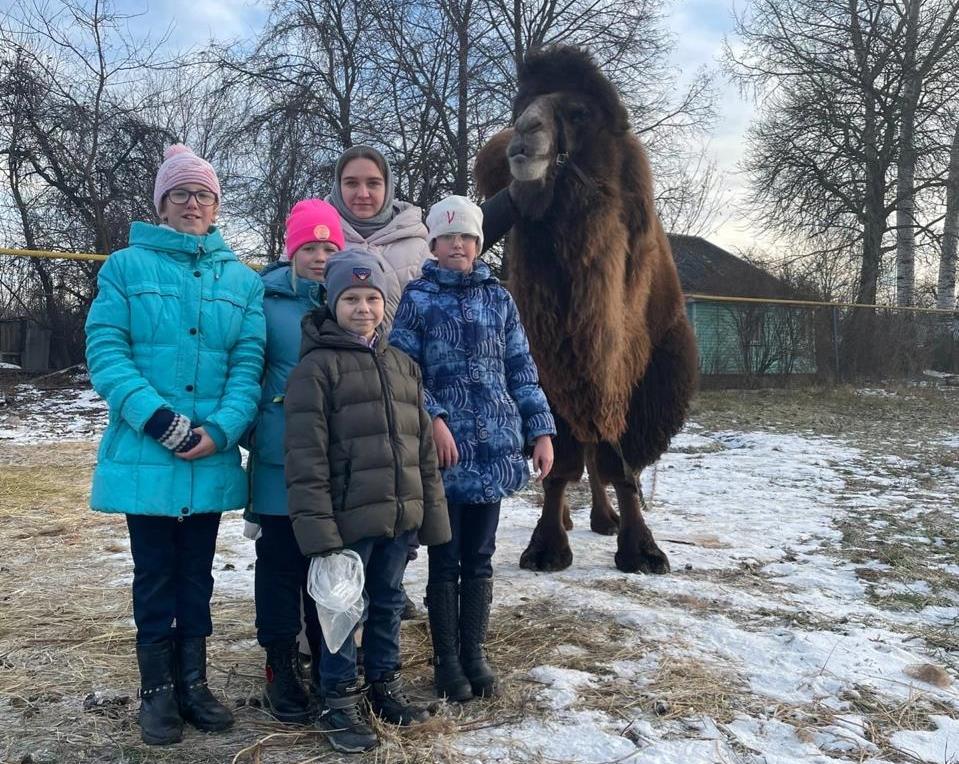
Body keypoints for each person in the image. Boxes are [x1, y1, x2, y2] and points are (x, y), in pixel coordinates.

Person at [85, 144, 265, 745]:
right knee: (155, 574)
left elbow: (249, 362)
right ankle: (157, 692)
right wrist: (157, 419)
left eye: (204, 195)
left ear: (216, 206)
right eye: (182, 194)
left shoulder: (241, 280)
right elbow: (107, 352)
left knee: (197, 576)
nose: (193, 203)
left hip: (208, 455)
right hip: (148, 454)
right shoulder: (125, 268)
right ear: (162, 202)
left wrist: (222, 428)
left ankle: (194, 681)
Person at [284, 250, 451, 754]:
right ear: (333, 303)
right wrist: (321, 536)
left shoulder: (403, 366)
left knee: (387, 604)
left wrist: (429, 519)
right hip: (347, 524)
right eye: (351, 298)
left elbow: (422, 450)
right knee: (341, 612)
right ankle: (338, 697)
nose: (363, 308)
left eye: (373, 298)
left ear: (386, 304)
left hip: (398, 519)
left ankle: (383, 686)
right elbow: (305, 458)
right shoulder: (316, 370)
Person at [390, 195, 555, 702]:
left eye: (466, 236)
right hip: (443, 455)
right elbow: (403, 370)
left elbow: (521, 367)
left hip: (495, 450)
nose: (457, 244)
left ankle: (473, 651)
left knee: (480, 557)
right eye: (447, 236)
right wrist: (434, 417)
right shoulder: (417, 299)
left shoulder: (499, 299)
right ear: (434, 243)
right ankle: (445, 660)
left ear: (478, 242)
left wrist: (540, 430)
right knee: (445, 558)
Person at [246, 199, 344, 724]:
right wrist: (256, 434)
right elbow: (243, 372)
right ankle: (280, 662)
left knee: (324, 564)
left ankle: (327, 662)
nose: (321, 256)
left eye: (330, 248)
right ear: (292, 251)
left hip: (334, 462)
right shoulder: (264, 302)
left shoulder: (350, 301)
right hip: (279, 459)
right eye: (310, 247)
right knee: (281, 564)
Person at [326, 145, 517, 331]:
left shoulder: (419, 247)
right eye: (351, 183)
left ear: (387, 186)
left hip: (404, 362)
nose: (363, 194)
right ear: (338, 185)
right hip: (332, 361)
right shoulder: (319, 244)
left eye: (373, 183)